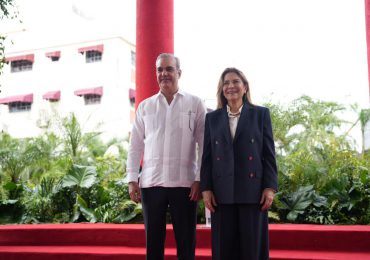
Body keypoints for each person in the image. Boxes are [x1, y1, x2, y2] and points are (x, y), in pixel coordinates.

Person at [126, 53, 206, 260]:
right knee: (153, 244)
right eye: (160, 70)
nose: (164, 74)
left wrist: (199, 179)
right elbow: (135, 145)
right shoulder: (145, 106)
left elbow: (204, 145)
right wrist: (132, 179)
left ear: (179, 72)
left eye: (169, 69)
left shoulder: (195, 104)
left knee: (186, 242)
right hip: (151, 183)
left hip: (185, 184)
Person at [200, 67, 278, 260]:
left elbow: (268, 155)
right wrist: (206, 188)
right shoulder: (212, 118)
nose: (231, 86)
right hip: (221, 194)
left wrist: (269, 187)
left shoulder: (260, 114)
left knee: (252, 251)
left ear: (245, 87)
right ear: (221, 89)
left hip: (253, 193)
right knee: (223, 250)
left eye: (236, 82)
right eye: (226, 83)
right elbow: (207, 157)